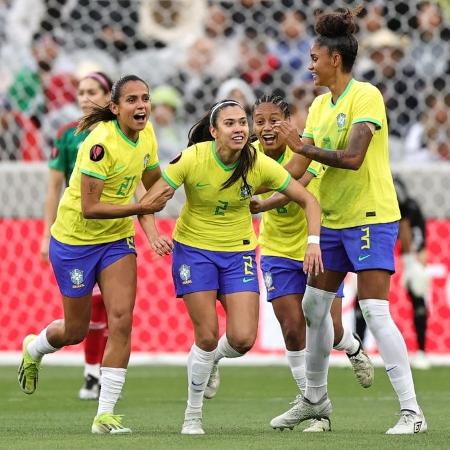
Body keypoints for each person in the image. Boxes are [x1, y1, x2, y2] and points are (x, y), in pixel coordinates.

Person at [267, 7, 426, 434]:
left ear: (334, 60)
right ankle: (315, 401)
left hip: (372, 215)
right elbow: (300, 171)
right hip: (334, 221)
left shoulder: (365, 95)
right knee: (314, 307)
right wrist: (259, 197)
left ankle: (412, 412)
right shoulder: (319, 105)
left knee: (374, 311)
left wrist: (299, 145)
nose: (309, 65)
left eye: (315, 57)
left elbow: (353, 159)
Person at [142, 99, 323, 435]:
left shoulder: (258, 163)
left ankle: (210, 361)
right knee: (208, 334)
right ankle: (192, 416)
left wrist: (313, 243)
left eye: (243, 122)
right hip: (194, 250)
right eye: (230, 123)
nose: (240, 128)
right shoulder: (194, 158)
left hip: (237, 252)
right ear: (214, 131)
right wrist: (153, 235)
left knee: (241, 339)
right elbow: (149, 199)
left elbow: (308, 200)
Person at [17, 74, 173, 434]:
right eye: (132, 100)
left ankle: (104, 414)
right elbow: (90, 207)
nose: (141, 106)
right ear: (115, 108)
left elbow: (151, 189)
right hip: (75, 241)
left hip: (116, 241)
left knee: (122, 319)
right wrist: (140, 211)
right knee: (75, 330)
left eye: (145, 99)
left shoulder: (147, 136)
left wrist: (152, 231)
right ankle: (35, 347)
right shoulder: (99, 144)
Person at [250, 94, 374, 433]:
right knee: (292, 327)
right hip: (276, 248)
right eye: (259, 121)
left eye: (274, 120)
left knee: (328, 330)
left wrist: (262, 204)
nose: (267, 128)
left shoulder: (305, 146)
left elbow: (298, 184)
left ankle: (352, 346)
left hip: (315, 245)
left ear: (288, 121)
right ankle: (316, 408)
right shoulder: (249, 156)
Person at [40, 71, 113, 400]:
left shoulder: (120, 133)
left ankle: (94, 374)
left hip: (113, 228)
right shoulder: (68, 135)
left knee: (111, 305)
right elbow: (54, 187)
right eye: (81, 91)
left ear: (108, 95)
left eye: (93, 90)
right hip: (77, 232)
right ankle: (90, 370)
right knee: (84, 312)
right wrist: (45, 235)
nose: (85, 97)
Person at [355, 176, 431, 369]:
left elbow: (416, 240)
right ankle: (359, 352)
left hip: (405, 248)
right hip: (377, 232)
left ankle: (422, 351)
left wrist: (414, 264)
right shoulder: (369, 204)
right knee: (364, 297)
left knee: (417, 292)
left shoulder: (410, 209)